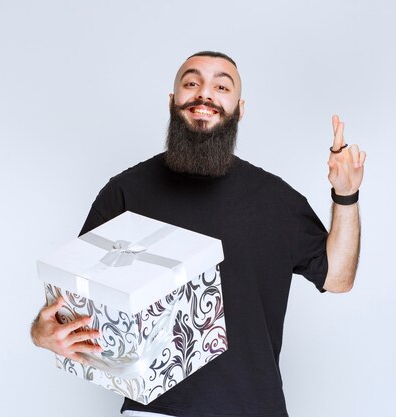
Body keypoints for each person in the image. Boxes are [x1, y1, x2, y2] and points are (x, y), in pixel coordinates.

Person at [31, 51, 366, 417]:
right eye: (192, 83)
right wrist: (42, 333)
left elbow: (338, 278)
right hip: (152, 411)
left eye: (221, 86)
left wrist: (345, 194)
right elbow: (75, 301)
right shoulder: (125, 193)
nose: (205, 94)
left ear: (239, 108)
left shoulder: (276, 200)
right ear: (173, 101)